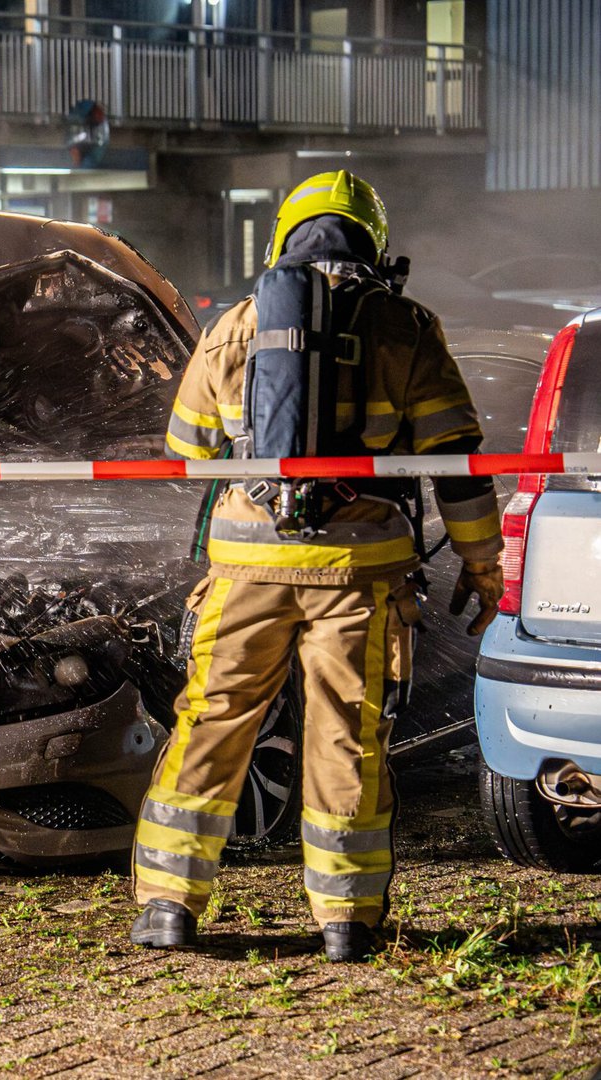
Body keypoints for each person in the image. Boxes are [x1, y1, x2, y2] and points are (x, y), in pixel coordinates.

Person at [130, 171, 505, 962]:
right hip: (359, 578)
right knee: (346, 738)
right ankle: (345, 921)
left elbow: (185, 452)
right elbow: (460, 465)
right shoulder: (406, 328)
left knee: (211, 725)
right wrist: (482, 564)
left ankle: (168, 907)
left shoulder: (234, 325)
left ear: (283, 238)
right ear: (372, 242)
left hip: (243, 575)